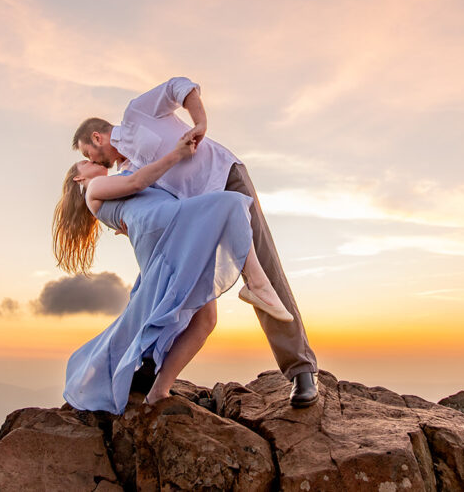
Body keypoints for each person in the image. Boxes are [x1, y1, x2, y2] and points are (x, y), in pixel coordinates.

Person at [71, 76, 319, 407]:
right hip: (198, 219)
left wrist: (200, 122)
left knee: (264, 269)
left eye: (90, 153)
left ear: (97, 137)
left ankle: (301, 370)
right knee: (172, 287)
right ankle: (148, 365)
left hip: (223, 180)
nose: (96, 161)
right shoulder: (127, 169)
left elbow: (180, 85)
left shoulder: (136, 116)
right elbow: (139, 196)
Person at [54, 133, 294, 414]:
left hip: (164, 229)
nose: (91, 160)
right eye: (84, 162)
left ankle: (159, 391)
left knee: (205, 320)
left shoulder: (106, 190)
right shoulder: (94, 186)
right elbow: (136, 182)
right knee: (232, 204)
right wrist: (177, 154)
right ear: (77, 179)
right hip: (168, 226)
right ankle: (256, 283)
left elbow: (134, 196)